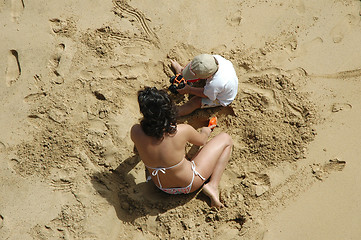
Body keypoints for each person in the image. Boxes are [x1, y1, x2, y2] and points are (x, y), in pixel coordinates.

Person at [130, 87, 233, 208]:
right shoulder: (181, 131)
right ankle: (212, 186)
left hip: (161, 186)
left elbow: (137, 150)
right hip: (190, 184)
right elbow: (201, 141)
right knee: (226, 139)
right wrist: (206, 131)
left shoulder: (136, 131)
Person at [170, 54, 238, 116]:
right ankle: (182, 71)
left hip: (223, 97)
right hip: (225, 81)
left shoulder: (214, 84)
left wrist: (189, 90)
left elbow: (205, 94)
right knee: (198, 67)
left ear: (208, 77)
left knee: (196, 101)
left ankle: (175, 112)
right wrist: (183, 71)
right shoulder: (213, 59)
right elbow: (197, 64)